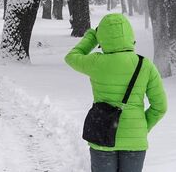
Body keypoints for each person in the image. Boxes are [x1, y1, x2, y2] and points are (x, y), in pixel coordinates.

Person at [65, 13, 167, 172]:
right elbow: (160, 107)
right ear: (130, 35)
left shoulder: (96, 62)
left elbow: (71, 57)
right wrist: (140, 128)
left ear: (102, 38)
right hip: (135, 141)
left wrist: (92, 36)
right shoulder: (145, 65)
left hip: (102, 134)